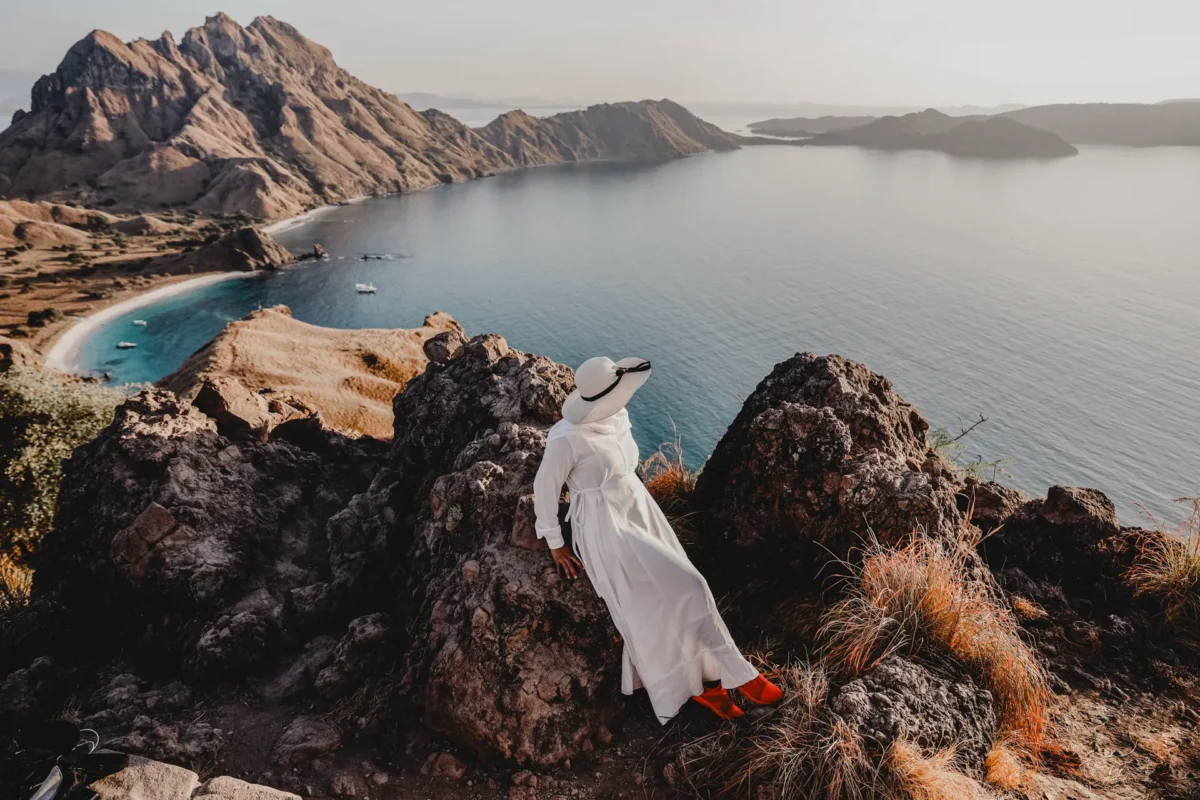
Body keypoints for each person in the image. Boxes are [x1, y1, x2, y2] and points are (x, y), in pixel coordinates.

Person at [533, 356, 783, 722]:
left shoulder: (617, 416)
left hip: (641, 511)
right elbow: (544, 488)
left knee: (675, 598)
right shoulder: (566, 438)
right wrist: (555, 541)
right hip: (607, 528)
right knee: (689, 589)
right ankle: (739, 676)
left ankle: (709, 685)